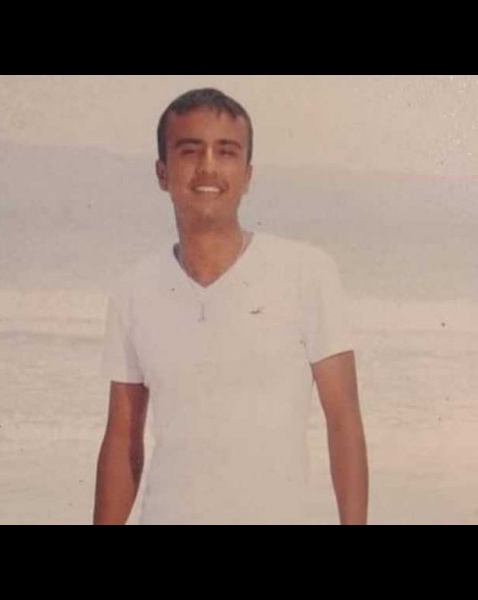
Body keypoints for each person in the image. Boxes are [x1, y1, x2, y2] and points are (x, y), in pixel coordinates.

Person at [93, 88, 368, 524]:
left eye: (226, 152)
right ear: (162, 172)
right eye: (190, 150)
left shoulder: (306, 273)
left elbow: (344, 422)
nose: (208, 167)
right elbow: (122, 441)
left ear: (247, 174)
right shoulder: (134, 290)